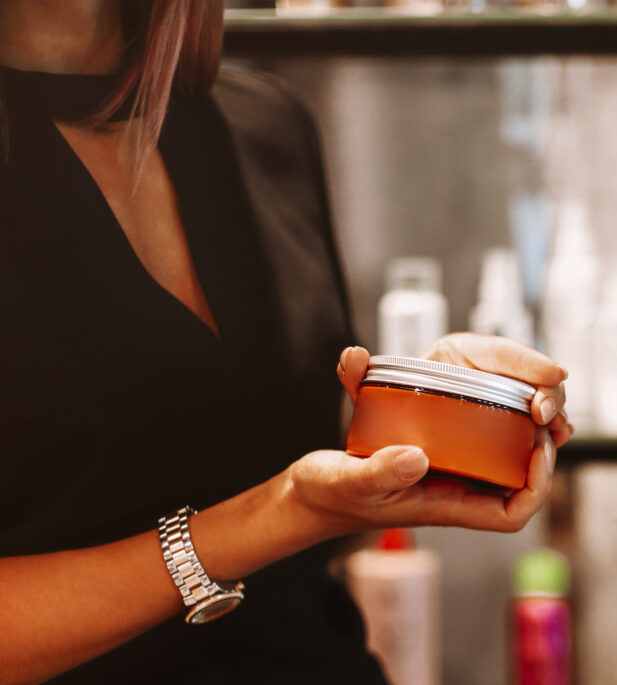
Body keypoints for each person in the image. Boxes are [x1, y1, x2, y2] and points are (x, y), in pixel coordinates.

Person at [0, 1, 572, 682]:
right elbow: (290, 504)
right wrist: (277, 514)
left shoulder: (264, 125)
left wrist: (428, 416)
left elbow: (325, 503)